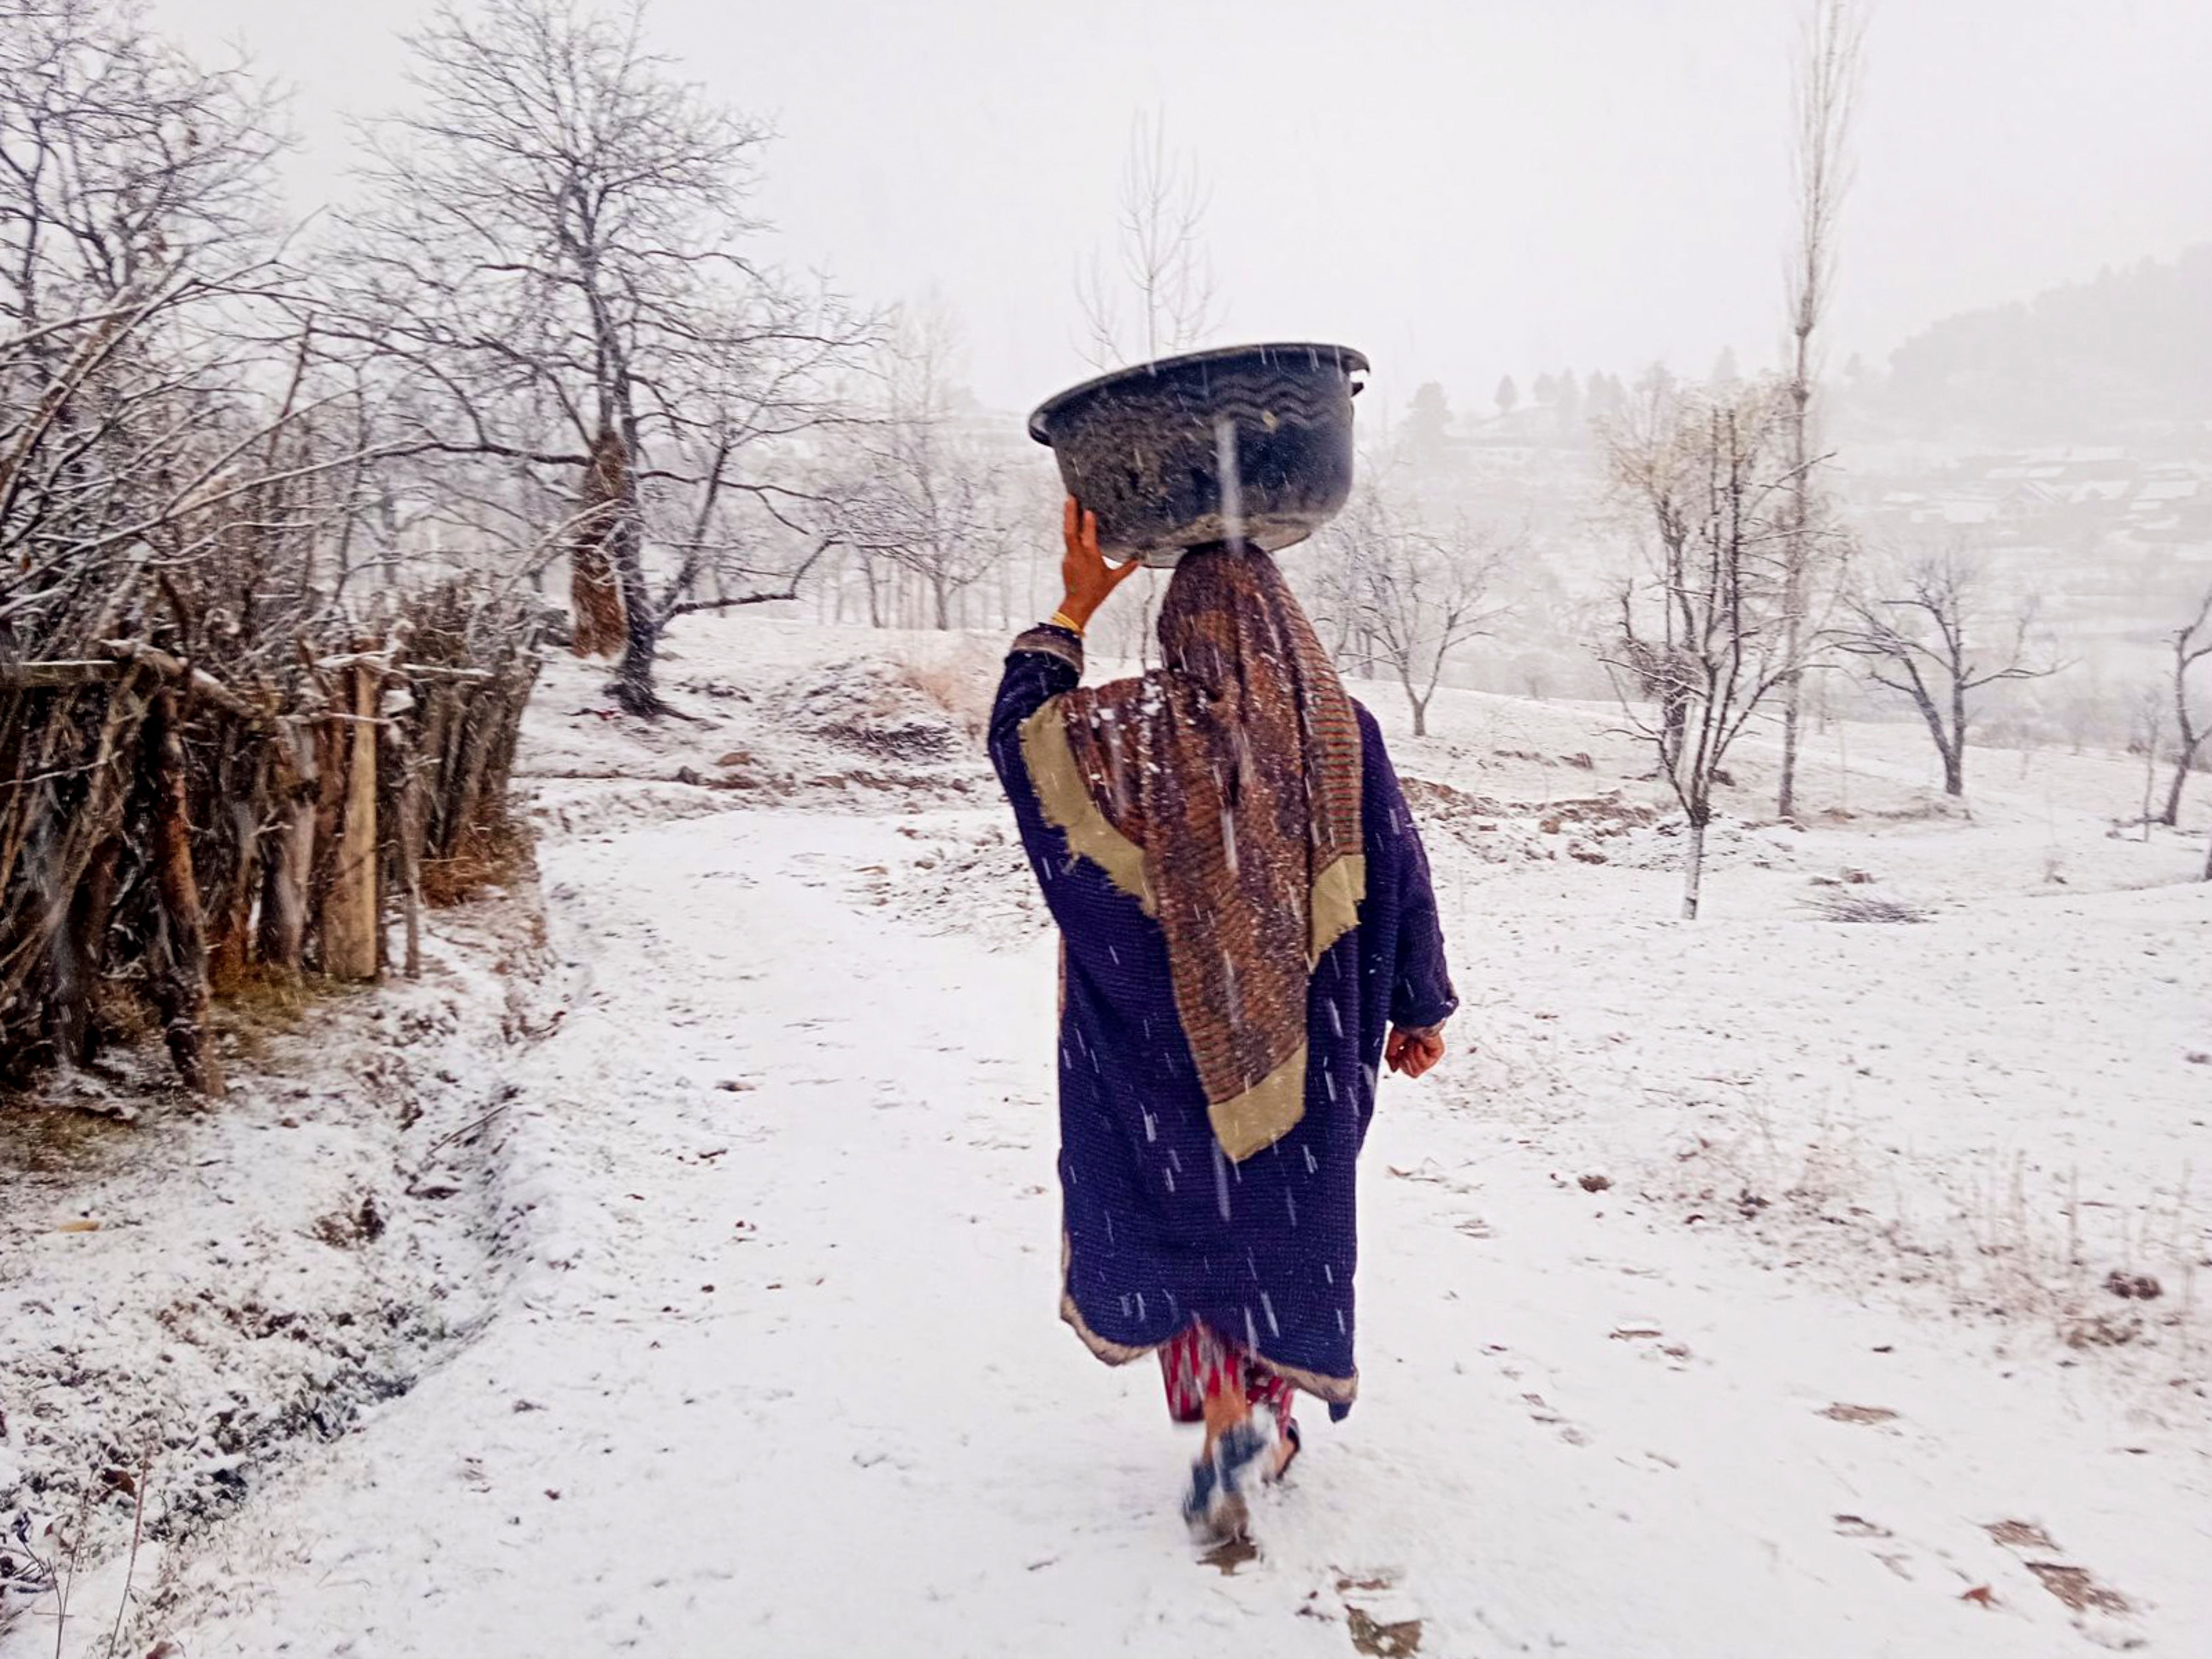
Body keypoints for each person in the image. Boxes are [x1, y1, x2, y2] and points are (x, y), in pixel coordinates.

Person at [988, 499, 1458, 1544]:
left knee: (1184, 1226)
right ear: (1287, 621)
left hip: (1161, 1057)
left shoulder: (1134, 737)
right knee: (1272, 1237)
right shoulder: (1340, 732)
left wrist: (1070, 608)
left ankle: (1227, 1426)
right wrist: (1416, 1004)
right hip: (1304, 1057)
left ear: (1177, 630)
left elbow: (1022, 740)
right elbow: (1398, 869)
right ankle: (1253, 1422)